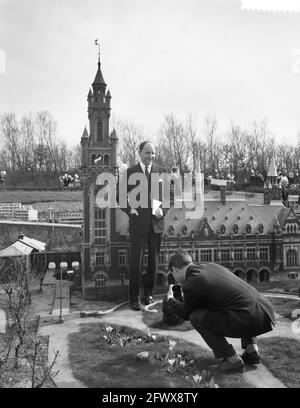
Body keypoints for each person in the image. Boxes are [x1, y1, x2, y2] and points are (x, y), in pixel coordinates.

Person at [165, 249, 275, 373]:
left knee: (196, 317)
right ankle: (252, 351)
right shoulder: (212, 266)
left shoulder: (191, 283)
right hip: (265, 312)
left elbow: (186, 313)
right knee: (237, 302)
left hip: (249, 317)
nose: (174, 278)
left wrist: (170, 300)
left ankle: (232, 360)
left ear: (175, 269)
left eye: (172, 274)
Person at [119, 141, 169, 311]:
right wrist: (131, 211)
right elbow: (120, 198)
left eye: (153, 153)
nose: (150, 156)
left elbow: (168, 197)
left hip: (156, 224)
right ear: (139, 153)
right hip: (138, 224)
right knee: (136, 262)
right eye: (147, 153)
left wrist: (163, 211)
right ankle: (134, 298)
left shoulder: (160, 172)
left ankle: (148, 294)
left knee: (154, 263)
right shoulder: (130, 173)